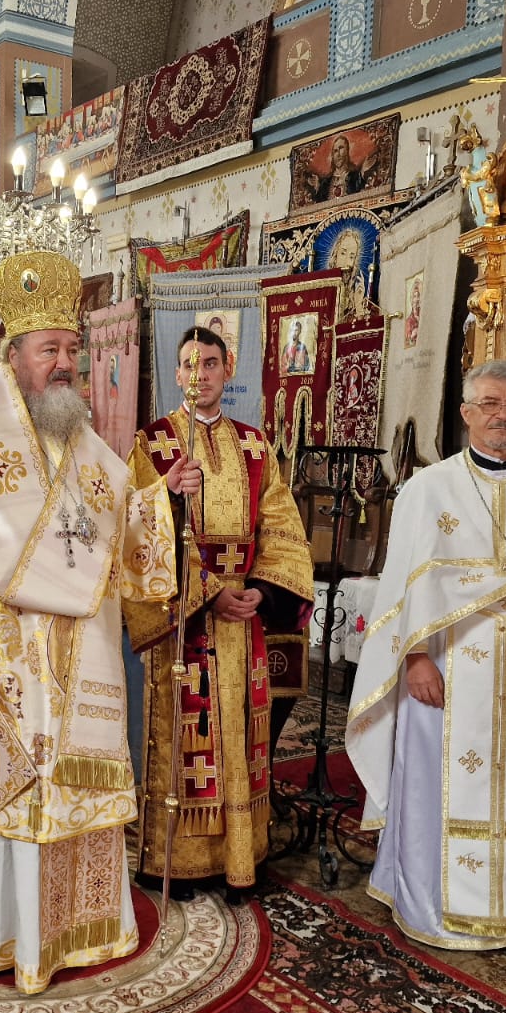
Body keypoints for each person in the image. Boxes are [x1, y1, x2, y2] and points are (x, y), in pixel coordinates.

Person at [0, 249, 196, 994]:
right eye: (49, 349)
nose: (65, 363)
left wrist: (161, 498)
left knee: (72, 788)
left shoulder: (88, 445)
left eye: (72, 349)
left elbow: (122, 530)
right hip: (0, 655)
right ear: (14, 354)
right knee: (2, 789)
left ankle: (78, 927)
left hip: (80, 656)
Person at [345, 359, 506, 957]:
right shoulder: (428, 489)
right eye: (490, 403)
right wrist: (413, 659)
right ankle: (431, 909)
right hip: (447, 666)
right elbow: (401, 592)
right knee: (437, 788)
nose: (503, 416)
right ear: (466, 413)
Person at [126, 326, 312, 902]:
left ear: (226, 370)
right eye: (189, 364)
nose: (200, 374)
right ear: (177, 373)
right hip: (184, 621)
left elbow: (280, 527)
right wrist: (166, 493)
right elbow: (132, 534)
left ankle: (240, 859)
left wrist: (261, 590)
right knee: (187, 741)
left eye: (210, 363)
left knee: (242, 741)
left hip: (242, 622)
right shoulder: (153, 443)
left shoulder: (256, 446)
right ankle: (178, 861)